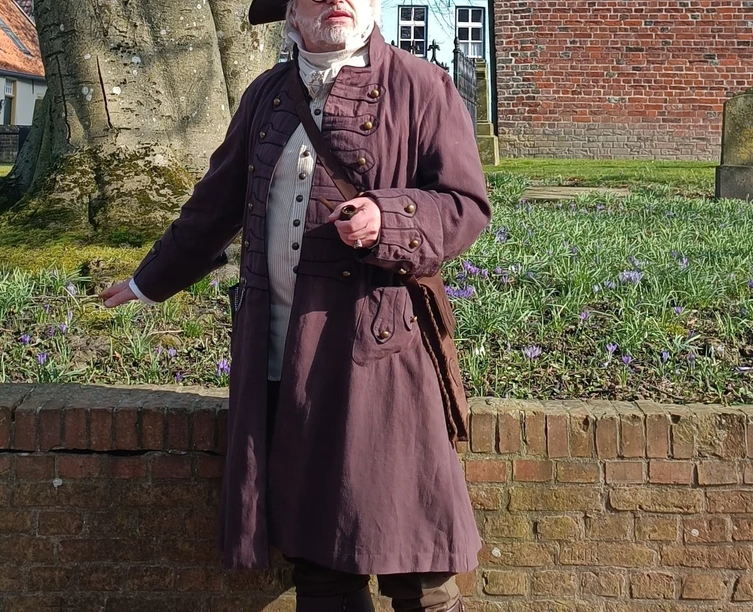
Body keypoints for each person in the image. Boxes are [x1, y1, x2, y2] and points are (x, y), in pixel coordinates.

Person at [98, 0, 492, 606]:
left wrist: (388, 218)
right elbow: (215, 206)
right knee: (319, 555)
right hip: (285, 353)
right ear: (288, 12)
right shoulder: (264, 96)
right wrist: (149, 280)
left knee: (417, 557)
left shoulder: (422, 86)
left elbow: (465, 206)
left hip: (380, 354)